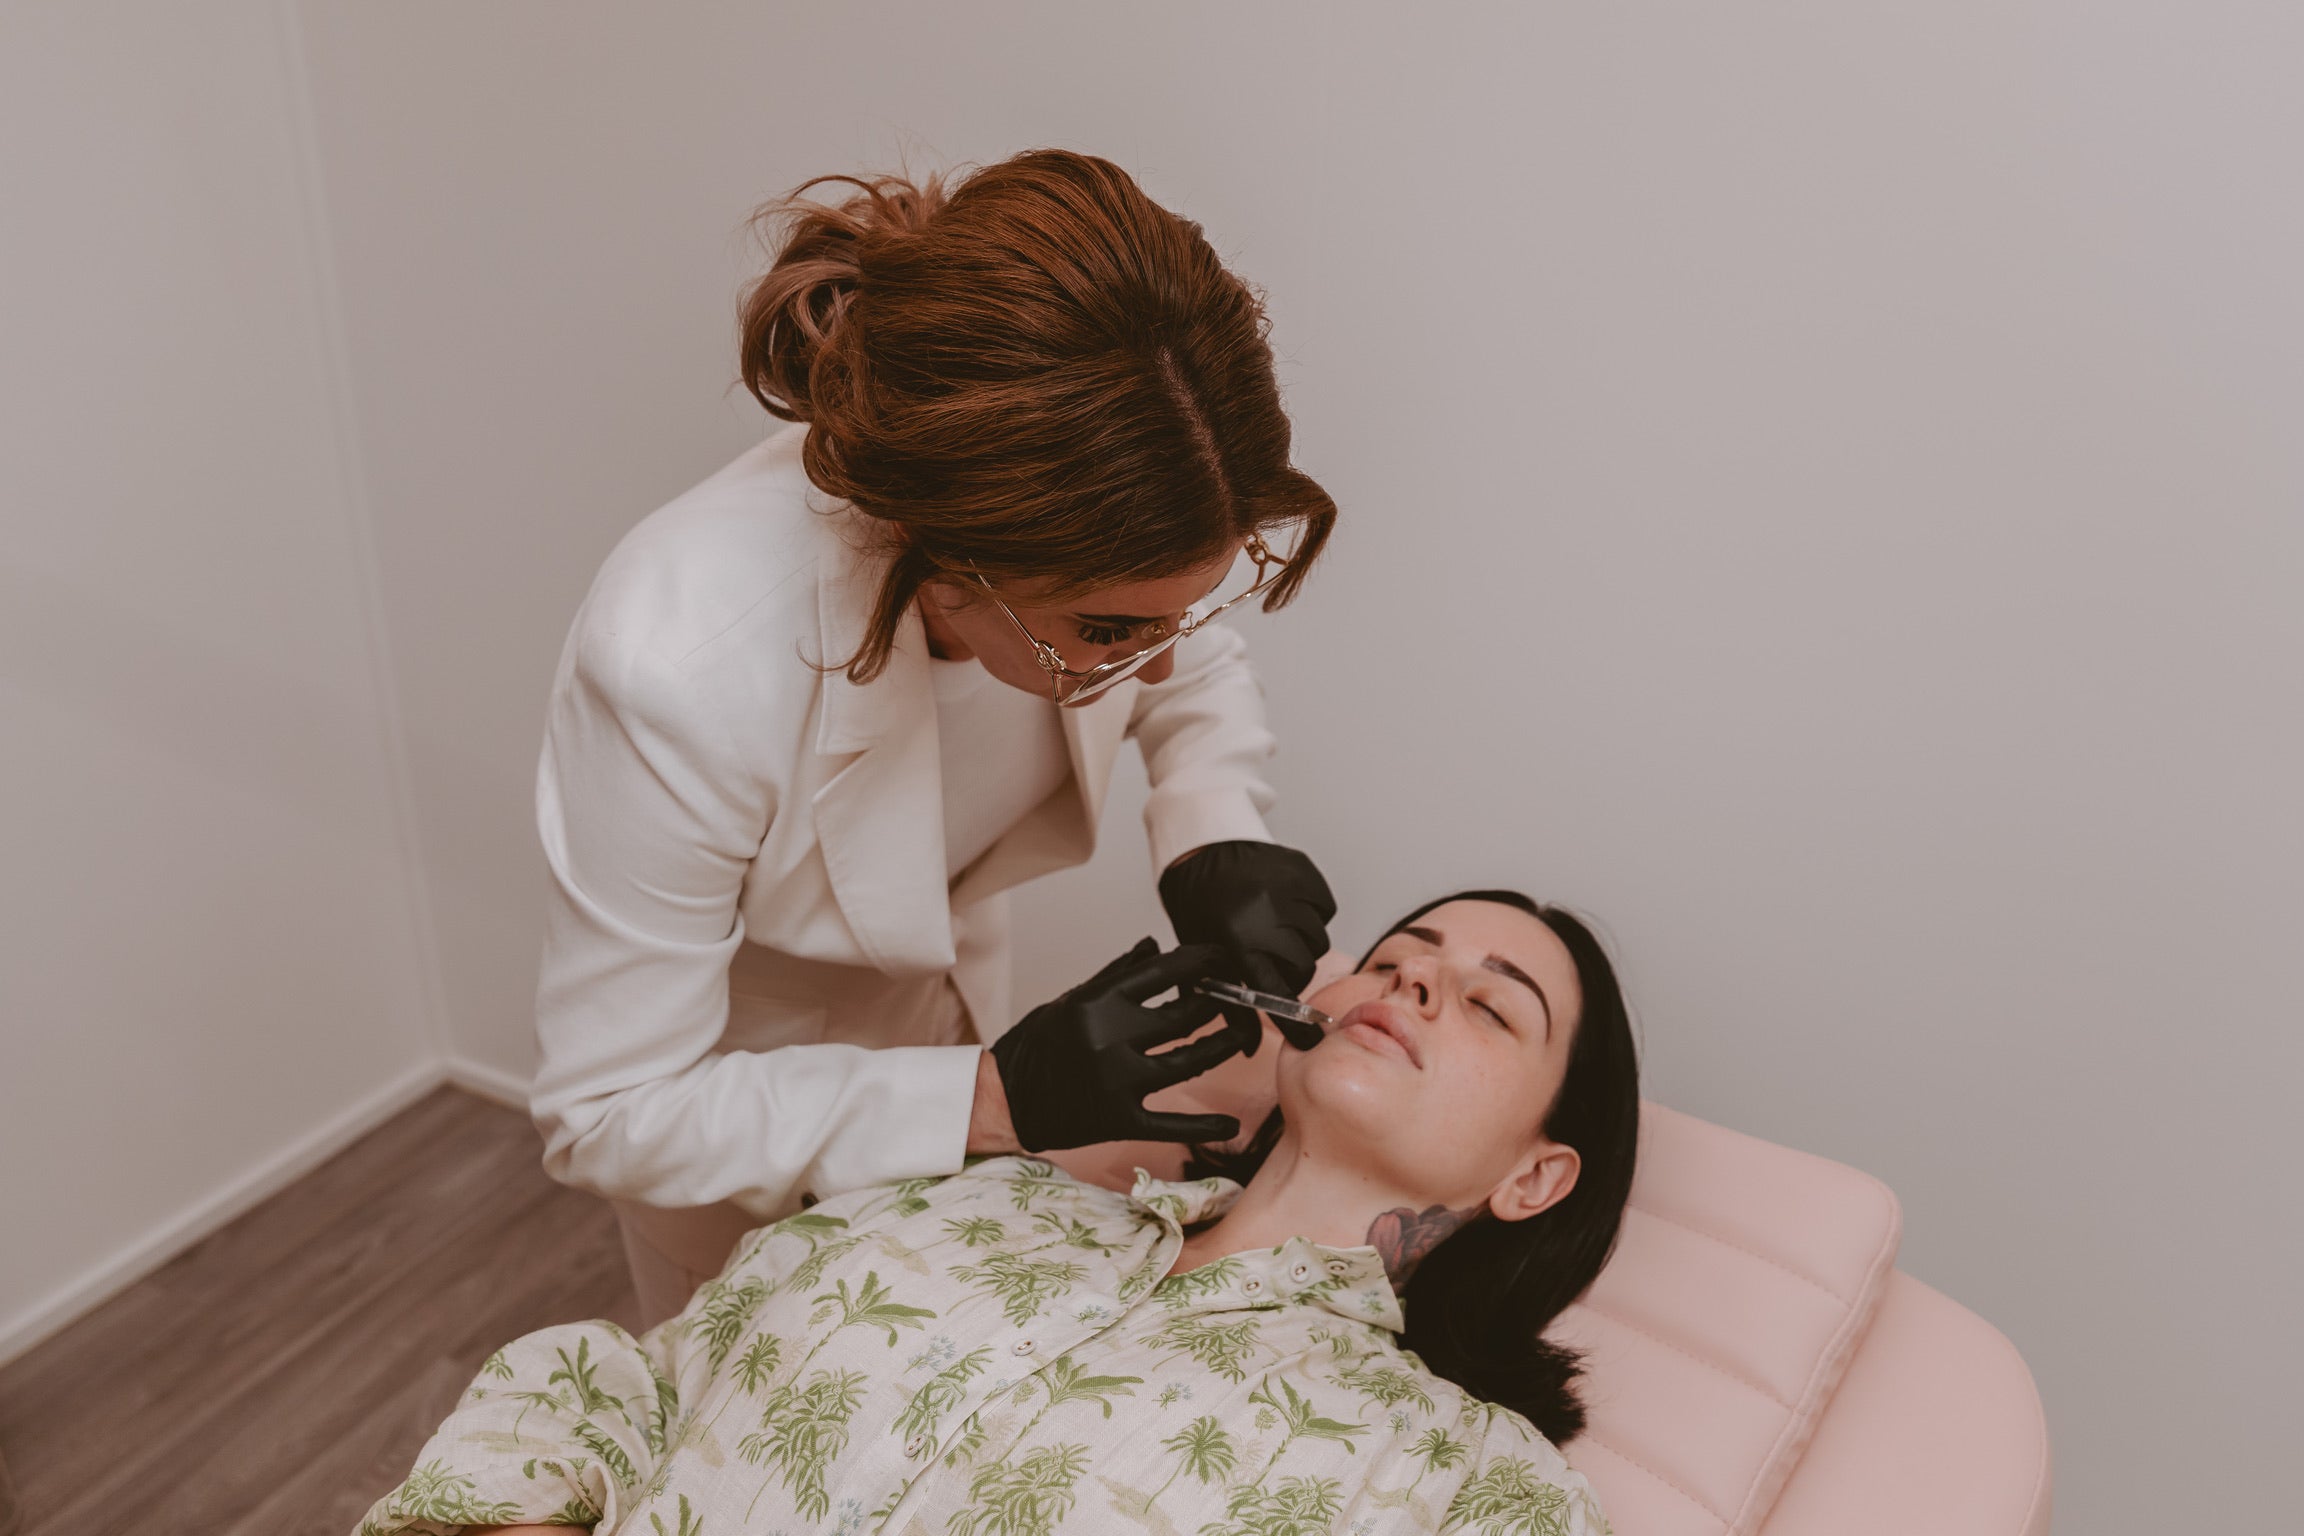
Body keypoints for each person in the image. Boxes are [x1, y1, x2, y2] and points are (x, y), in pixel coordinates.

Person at [530, 148, 1344, 1325]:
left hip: (953, 1004)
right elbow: (609, 1113)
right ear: (932, 554)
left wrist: (1212, 818)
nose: (1160, 659)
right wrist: (988, 1095)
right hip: (742, 1110)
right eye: (1111, 629)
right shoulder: (677, 669)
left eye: (1189, 603)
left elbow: (1178, 648)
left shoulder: (1098, 558)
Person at [357, 892, 1639, 1535]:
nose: (1415, 980)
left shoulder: (1468, 1477)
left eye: (1488, 1005)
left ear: (1535, 1178)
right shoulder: (984, 1205)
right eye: (1397, 954)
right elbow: (636, 1381)